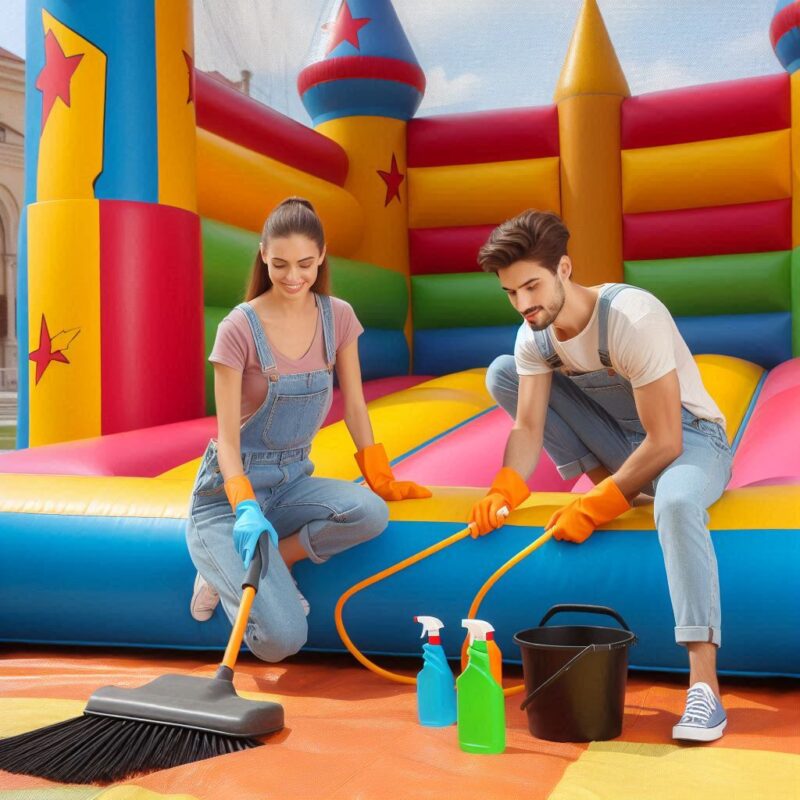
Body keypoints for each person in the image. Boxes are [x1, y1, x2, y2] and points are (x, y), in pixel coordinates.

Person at [469, 210, 732, 742]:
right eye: (510, 293)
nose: (523, 304)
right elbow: (527, 429)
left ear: (564, 268)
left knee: (677, 504)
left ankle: (705, 687)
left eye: (532, 286)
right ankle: (611, 484)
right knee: (504, 373)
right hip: (621, 446)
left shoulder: (632, 318)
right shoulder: (534, 336)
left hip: (688, 441)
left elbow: (666, 440)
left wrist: (599, 504)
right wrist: (504, 486)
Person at [186, 197, 430, 662]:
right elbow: (228, 442)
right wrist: (244, 510)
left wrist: (380, 475)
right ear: (262, 255)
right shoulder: (239, 326)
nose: (292, 276)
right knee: (283, 643)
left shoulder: (337, 316)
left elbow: (356, 406)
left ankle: (277, 557)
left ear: (321, 256)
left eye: (304, 263)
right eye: (279, 264)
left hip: (292, 482)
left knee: (370, 512)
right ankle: (221, 565)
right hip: (227, 499)